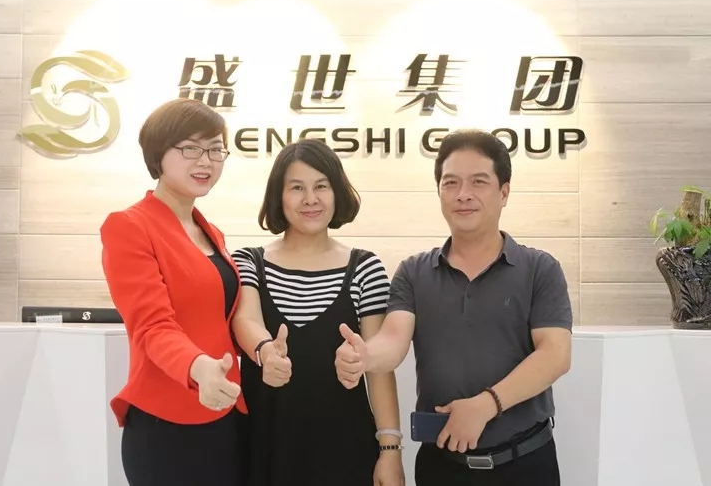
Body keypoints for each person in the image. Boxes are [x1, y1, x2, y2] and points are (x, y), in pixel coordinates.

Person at [334, 130, 572, 486]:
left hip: (525, 463)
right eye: (451, 183)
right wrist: (365, 356)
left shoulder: (540, 268)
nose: (463, 194)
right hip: (442, 467)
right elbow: (393, 339)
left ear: (504, 192)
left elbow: (555, 354)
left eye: (479, 182)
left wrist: (486, 405)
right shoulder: (414, 272)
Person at [230, 139, 405, 486]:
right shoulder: (249, 261)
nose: (310, 199)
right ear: (279, 196)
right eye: (297, 188)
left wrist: (390, 452)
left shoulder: (365, 267)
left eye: (321, 186)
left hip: (345, 450)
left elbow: (378, 369)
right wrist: (265, 352)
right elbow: (245, 319)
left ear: (337, 192)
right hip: (264, 448)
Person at [99, 98, 246, 486]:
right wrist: (199, 367)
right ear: (158, 155)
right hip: (166, 421)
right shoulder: (129, 226)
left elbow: (218, 318)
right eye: (191, 148)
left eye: (215, 149)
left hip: (223, 412)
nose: (206, 161)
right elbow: (151, 326)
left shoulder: (210, 232)